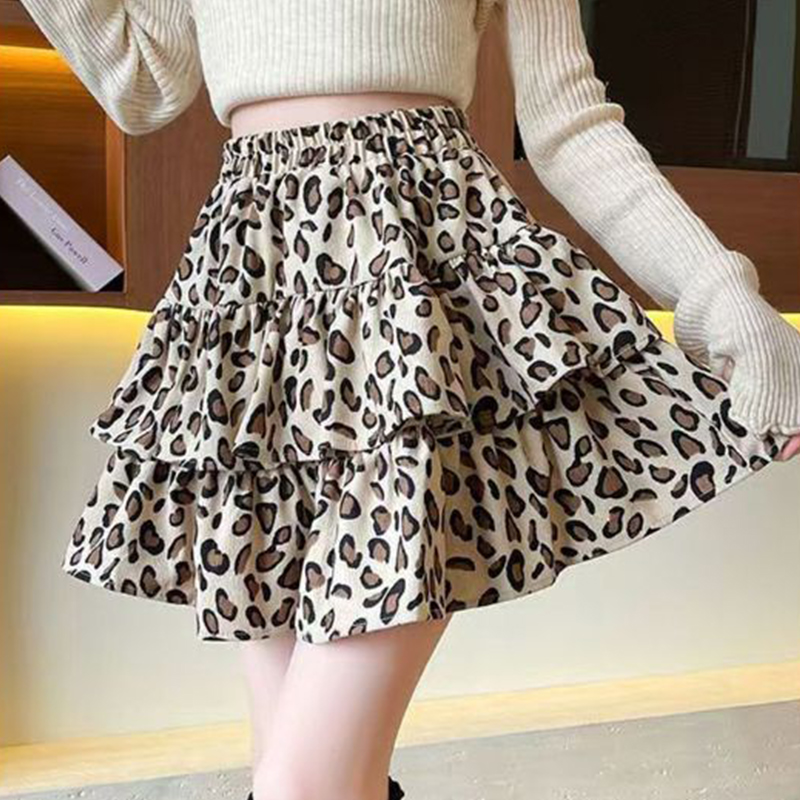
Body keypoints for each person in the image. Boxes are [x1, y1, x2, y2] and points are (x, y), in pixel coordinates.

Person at [19, 1, 800, 799]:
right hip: (254, 297)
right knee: (309, 775)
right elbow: (143, 82)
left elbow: (569, 123)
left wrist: (724, 300)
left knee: (302, 786)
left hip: (417, 285)